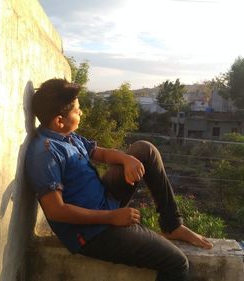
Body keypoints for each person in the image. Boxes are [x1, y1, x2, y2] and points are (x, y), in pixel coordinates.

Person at [25, 78, 213, 281]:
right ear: (59, 120)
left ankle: (172, 225)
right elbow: (56, 211)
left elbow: (101, 153)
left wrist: (127, 159)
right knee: (177, 263)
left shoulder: (67, 136)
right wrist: (111, 217)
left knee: (145, 150)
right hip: (92, 233)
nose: (81, 113)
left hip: (104, 201)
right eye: (77, 110)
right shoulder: (45, 153)